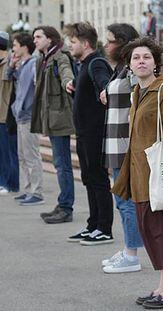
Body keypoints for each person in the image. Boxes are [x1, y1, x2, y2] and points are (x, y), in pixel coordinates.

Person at [112, 37, 163, 309]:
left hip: (156, 174)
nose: (141, 61)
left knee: (160, 230)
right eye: (136, 58)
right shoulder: (138, 92)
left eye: (146, 57)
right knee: (148, 230)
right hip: (139, 174)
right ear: (130, 65)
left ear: (156, 63)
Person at [99, 23, 144, 273]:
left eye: (110, 40)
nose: (106, 45)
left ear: (123, 41)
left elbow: (142, 99)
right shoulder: (120, 68)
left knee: (126, 201)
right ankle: (128, 248)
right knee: (121, 199)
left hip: (125, 143)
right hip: (115, 141)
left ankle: (132, 255)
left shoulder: (131, 69)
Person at [64, 22, 114, 246]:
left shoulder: (96, 63)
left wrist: (105, 90)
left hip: (94, 133)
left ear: (85, 44)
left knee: (98, 179)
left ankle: (104, 228)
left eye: (73, 42)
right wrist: (75, 87)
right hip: (84, 133)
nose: (69, 45)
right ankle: (93, 224)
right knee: (89, 178)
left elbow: (105, 85)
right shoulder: (84, 64)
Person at [32, 26, 76, 217]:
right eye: (34, 37)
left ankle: (66, 207)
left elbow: (66, 71)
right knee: (60, 163)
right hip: (51, 118)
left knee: (62, 164)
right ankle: (63, 203)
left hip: (60, 118)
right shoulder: (44, 58)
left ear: (50, 39)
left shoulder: (59, 56)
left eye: (39, 37)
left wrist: (69, 82)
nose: (35, 40)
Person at [7, 33, 43, 205]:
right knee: (22, 156)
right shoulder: (22, 65)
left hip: (29, 116)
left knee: (32, 156)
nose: (13, 48)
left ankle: (36, 193)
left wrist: (30, 109)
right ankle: (28, 189)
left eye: (15, 45)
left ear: (24, 46)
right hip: (20, 116)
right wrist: (13, 66)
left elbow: (37, 89)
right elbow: (9, 78)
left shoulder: (34, 64)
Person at [0, 31, 19, 197]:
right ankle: (3, 181)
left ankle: (10, 183)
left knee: (8, 152)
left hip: (7, 115)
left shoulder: (10, 63)